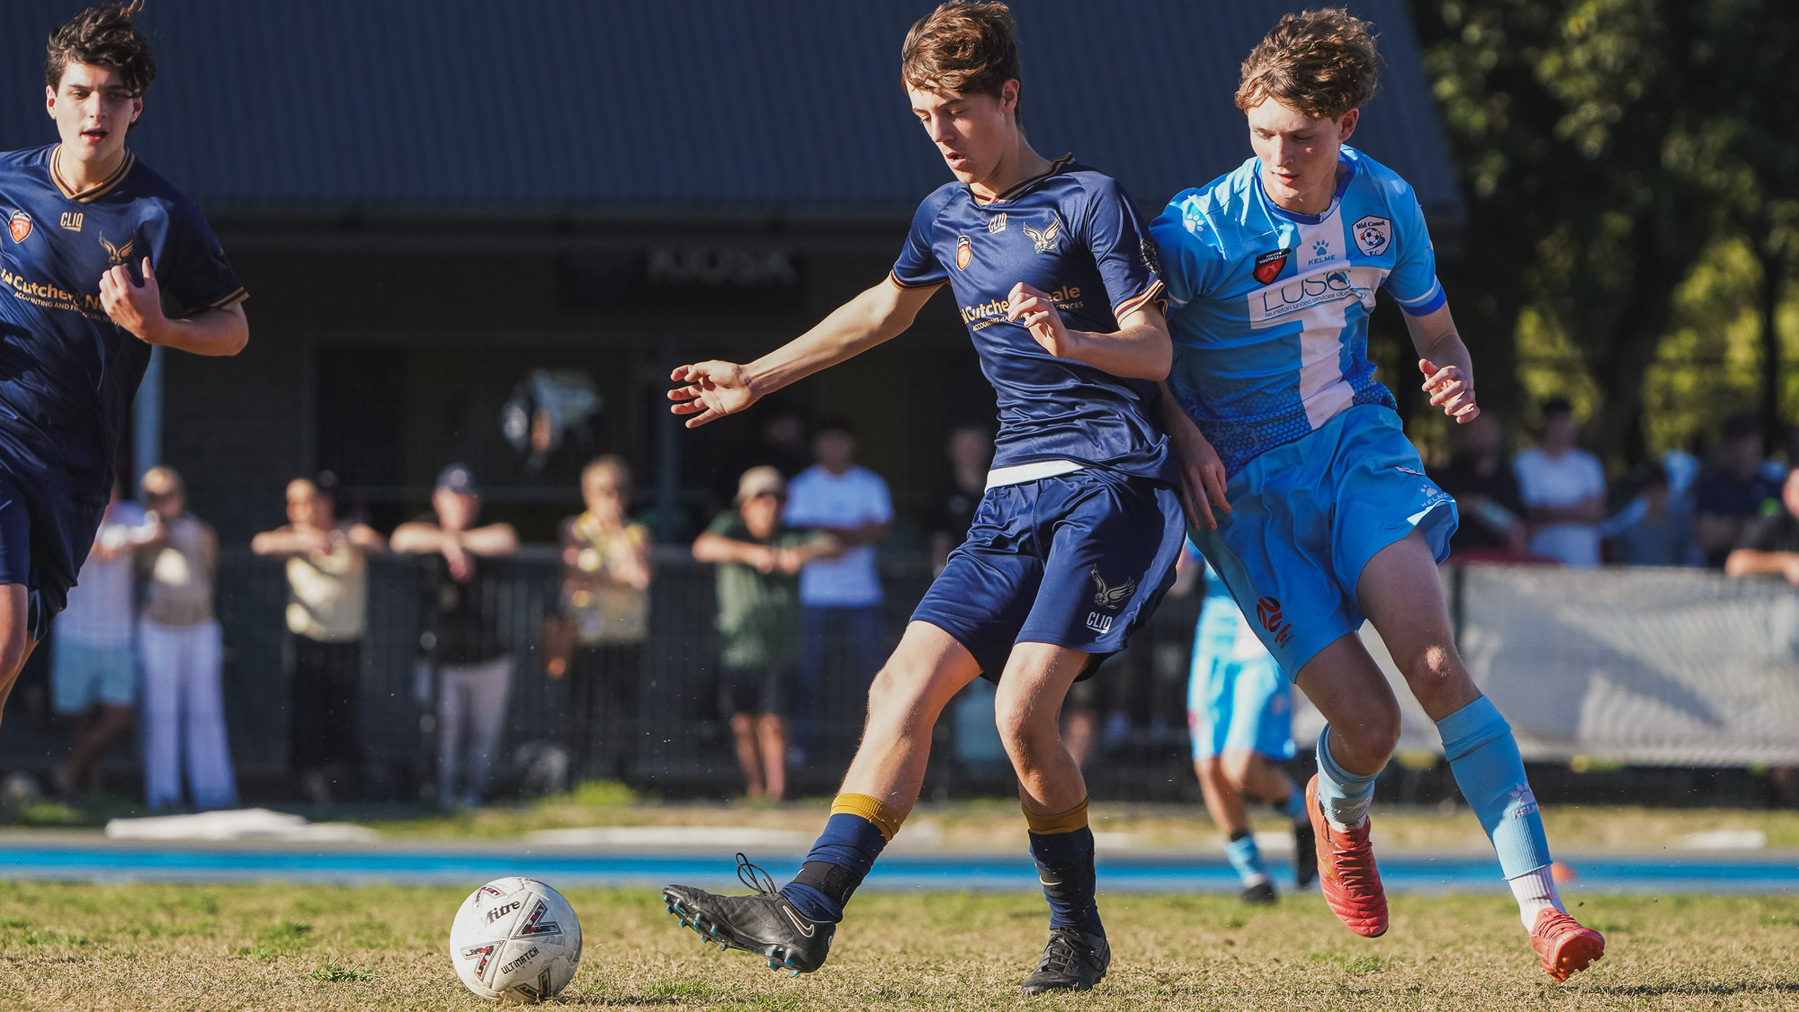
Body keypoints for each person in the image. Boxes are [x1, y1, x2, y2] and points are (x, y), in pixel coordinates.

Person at [661, 2, 1188, 992]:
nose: (941, 132)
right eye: (921, 114)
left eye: (955, 110)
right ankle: (807, 909)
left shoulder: (1088, 201)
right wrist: (757, 376)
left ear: (1007, 96)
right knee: (899, 687)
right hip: (1010, 500)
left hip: (1115, 484)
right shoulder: (940, 217)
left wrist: (1073, 342)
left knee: (1023, 711)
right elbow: (883, 309)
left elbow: (1153, 347)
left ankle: (1076, 933)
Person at [1148, 9, 1603, 981]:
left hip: (1354, 448)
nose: (1279, 154)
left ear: (1344, 125)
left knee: (1434, 666)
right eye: (1261, 133)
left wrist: (1453, 373)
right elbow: (1137, 355)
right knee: (1370, 729)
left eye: (1300, 138)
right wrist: (1182, 437)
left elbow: (1436, 337)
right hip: (1244, 500)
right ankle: (1336, 810)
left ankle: (1540, 909)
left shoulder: (1384, 204)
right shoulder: (1194, 229)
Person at [0, 3, 249, 726]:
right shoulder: (7, 185)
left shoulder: (161, 215)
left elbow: (233, 328)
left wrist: (160, 326)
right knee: (4, 637)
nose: (94, 110)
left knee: (11, 657)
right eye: (79, 92)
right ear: (51, 100)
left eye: (112, 94)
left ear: (135, 107)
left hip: (76, 472)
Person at [1175, 546, 1315, 904]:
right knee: (1208, 766)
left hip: (1262, 643)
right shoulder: (1197, 507)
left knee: (1242, 767)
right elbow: (1178, 584)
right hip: (1212, 648)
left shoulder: (1263, 498)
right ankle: (1255, 876)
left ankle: (1304, 821)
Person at [693, 467, 841, 801]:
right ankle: (754, 790)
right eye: (761, 499)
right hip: (737, 649)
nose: (768, 507)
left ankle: (777, 792)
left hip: (780, 650)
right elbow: (703, 547)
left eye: (775, 499)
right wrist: (751, 554)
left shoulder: (793, 534)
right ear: (744, 505)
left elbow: (833, 546)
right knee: (742, 723)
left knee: (774, 722)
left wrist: (799, 556)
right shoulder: (730, 528)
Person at [250, 473, 385, 803]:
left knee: (341, 716)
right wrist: (307, 542)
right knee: (306, 716)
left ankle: (343, 788)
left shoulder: (348, 532)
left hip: (346, 642)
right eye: (291, 502)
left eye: (302, 502)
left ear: (322, 503)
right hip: (307, 641)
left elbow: (377, 543)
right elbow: (262, 543)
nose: (294, 509)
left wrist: (337, 540)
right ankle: (307, 788)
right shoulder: (292, 537)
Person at [392, 465, 519, 808]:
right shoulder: (425, 528)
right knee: (442, 733)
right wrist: (447, 543)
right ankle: (442, 799)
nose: (462, 504)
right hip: (440, 658)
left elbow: (507, 538)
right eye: (454, 497)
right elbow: (401, 537)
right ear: (438, 499)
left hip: (487, 655)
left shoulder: (488, 529)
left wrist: (460, 544)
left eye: (468, 497)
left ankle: (475, 798)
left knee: (483, 735)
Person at [782, 417, 892, 764]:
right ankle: (800, 748)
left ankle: (877, 748)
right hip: (815, 599)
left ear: (851, 445)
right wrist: (851, 532)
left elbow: (878, 530)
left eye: (840, 441)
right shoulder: (801, 486)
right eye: (827, 441)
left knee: (872, 676)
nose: (834, 448)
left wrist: (829, 536)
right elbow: (800, 532)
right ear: (817, 446)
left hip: (863, 597)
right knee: (808, 676)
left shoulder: (870, 483)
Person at [136, 466, 236, 810]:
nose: (162, 502)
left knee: (205, 711)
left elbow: (210, 570)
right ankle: (163, 793)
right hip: (159, 629)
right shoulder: (141, 530)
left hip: (199, 627)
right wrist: (152, 535)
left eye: (168, 495)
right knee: (161, 713)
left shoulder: (199, 530)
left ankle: (215, 792)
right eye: (153, 497)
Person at [50, 478, 154, 801]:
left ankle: (68, 772)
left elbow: (157, 532)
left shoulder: (130, 516)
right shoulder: (70, 516)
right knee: (79, 718)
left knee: (120, 716)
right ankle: (91, 784)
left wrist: (123, 543)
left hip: (118, 636)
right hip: (75, 633)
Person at [555, 456, 652, 782]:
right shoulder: (576, 528)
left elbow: (640, 576)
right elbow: (573, 574)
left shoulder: (636, 532)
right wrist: (616, 576)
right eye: (604, 491)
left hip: (626, 634)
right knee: (581, 709)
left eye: (620, 490)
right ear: (588, 492)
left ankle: (621, 779)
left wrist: (617, 533)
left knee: (623, 712)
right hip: (585, 634)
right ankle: (576, 776)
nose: (613, 498)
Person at [1513, 399, 1606, 567]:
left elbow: (1595, 512)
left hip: (1584, 563)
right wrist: (1578, 509)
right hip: (1539, 560)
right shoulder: (1525, 463)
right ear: (1545, 424)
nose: (1561, 427)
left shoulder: (1588, 463)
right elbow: (1531, 512)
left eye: (1566, 421)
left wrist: (1551, 511)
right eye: (1556, 421)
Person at [1433, 411, 1528, 560]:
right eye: (1477, 430)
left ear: (1499, 434)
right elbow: (1435, 513)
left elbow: (1518, 524)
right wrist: (1471, 504)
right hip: (1456, 561)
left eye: (1488, 430)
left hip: (1497, 563)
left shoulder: (1509, 477)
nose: (1482, 436)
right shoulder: (1450, 473)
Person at [1694, 413, 1782, 567]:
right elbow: (1706, 537)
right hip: (1717, 575)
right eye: (1735, 439)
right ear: (1725, 444)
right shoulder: (1710, 485)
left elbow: (1778, 531)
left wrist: (1728, 527)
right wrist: (1751, 527)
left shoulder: (1772, 486)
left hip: (1764, 575)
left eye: (1746, 439)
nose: (1741, 446)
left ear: (1758, 441)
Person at [925, 424, 993, 573]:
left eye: (975, 444)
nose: (969, 451)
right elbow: (940, 539)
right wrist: (942, 573)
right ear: (950, 450)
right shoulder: (942, 493)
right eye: (963, 445)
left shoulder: (1002, 489)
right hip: (961, 573)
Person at [1607, 463, 1698, 566]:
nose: (1657, 497)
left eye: (1661, 491)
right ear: (1644, 493)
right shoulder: (1628, 533)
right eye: (1653, 491)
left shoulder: (1679, 533)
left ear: (1668, 492)